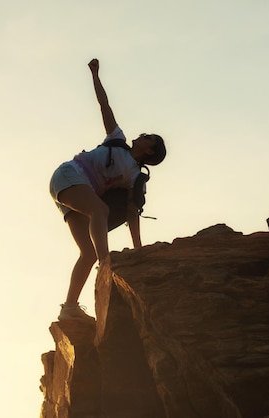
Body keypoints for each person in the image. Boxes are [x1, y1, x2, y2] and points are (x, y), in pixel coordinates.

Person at [49, 58, 166, 321]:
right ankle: (106, 264)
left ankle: (69, 308)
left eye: (148, 137)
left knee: (86, 252)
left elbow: (132, 211)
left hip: (74, 195)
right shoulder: (117, 140)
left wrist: (138, 251)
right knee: (98, 209)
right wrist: (95, 74)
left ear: (149, 150)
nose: (142, 134)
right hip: (69, 176)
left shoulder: (135, 176)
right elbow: (104, 104)